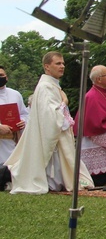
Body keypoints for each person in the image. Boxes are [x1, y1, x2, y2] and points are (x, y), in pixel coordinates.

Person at [5, 51, 93, 194]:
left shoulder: (51, 85)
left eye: (63, 63)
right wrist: (64, 102)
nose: (62, 66)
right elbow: (51, 115)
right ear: (47, 66)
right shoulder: (46, 86)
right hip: (52, 136)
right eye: (58, 63)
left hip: (59, 135)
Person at [73, 65, 106, 187]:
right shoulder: (90, 97)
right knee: (99, 178)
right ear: (98, 79)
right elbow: (93, 124)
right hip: (95, 142)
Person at [0, 66, 29, 191]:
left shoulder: (15, 94)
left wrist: (23, 122)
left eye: (2, 75)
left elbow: (24, 113)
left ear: (6, 77)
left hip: (13, 138)